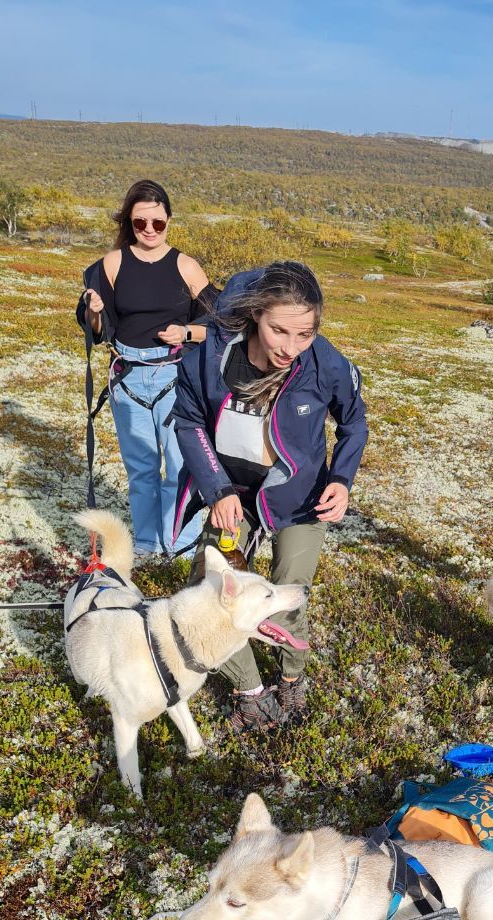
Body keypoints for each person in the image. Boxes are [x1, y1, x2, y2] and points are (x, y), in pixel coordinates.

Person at [171, 260, 369, 729]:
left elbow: (353, 424)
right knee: (212, 588)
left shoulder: (326, 363)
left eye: (305, 334)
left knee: (287, 590)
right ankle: (248, 690)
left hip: (299, 501)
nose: (291, 348)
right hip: (232, 495)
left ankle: (291, 679)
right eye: (280, 331)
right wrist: (217, 489)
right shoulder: (210, 354)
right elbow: (188, 420)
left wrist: (341, 480)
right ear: (257, 315)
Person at [77, 180, 217, 558]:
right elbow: (100, 330)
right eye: (141, 224)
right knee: (141, 469)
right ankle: (145, 545)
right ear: (130, 222)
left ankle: (182, 546)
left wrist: (186, 330)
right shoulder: (112, 263)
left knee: (179, 466)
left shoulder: (187, 267)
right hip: (128, 379)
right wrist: (93, 313)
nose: (150, 231)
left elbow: (220, 325)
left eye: (158, 223)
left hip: (175, 379)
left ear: (169, 220)